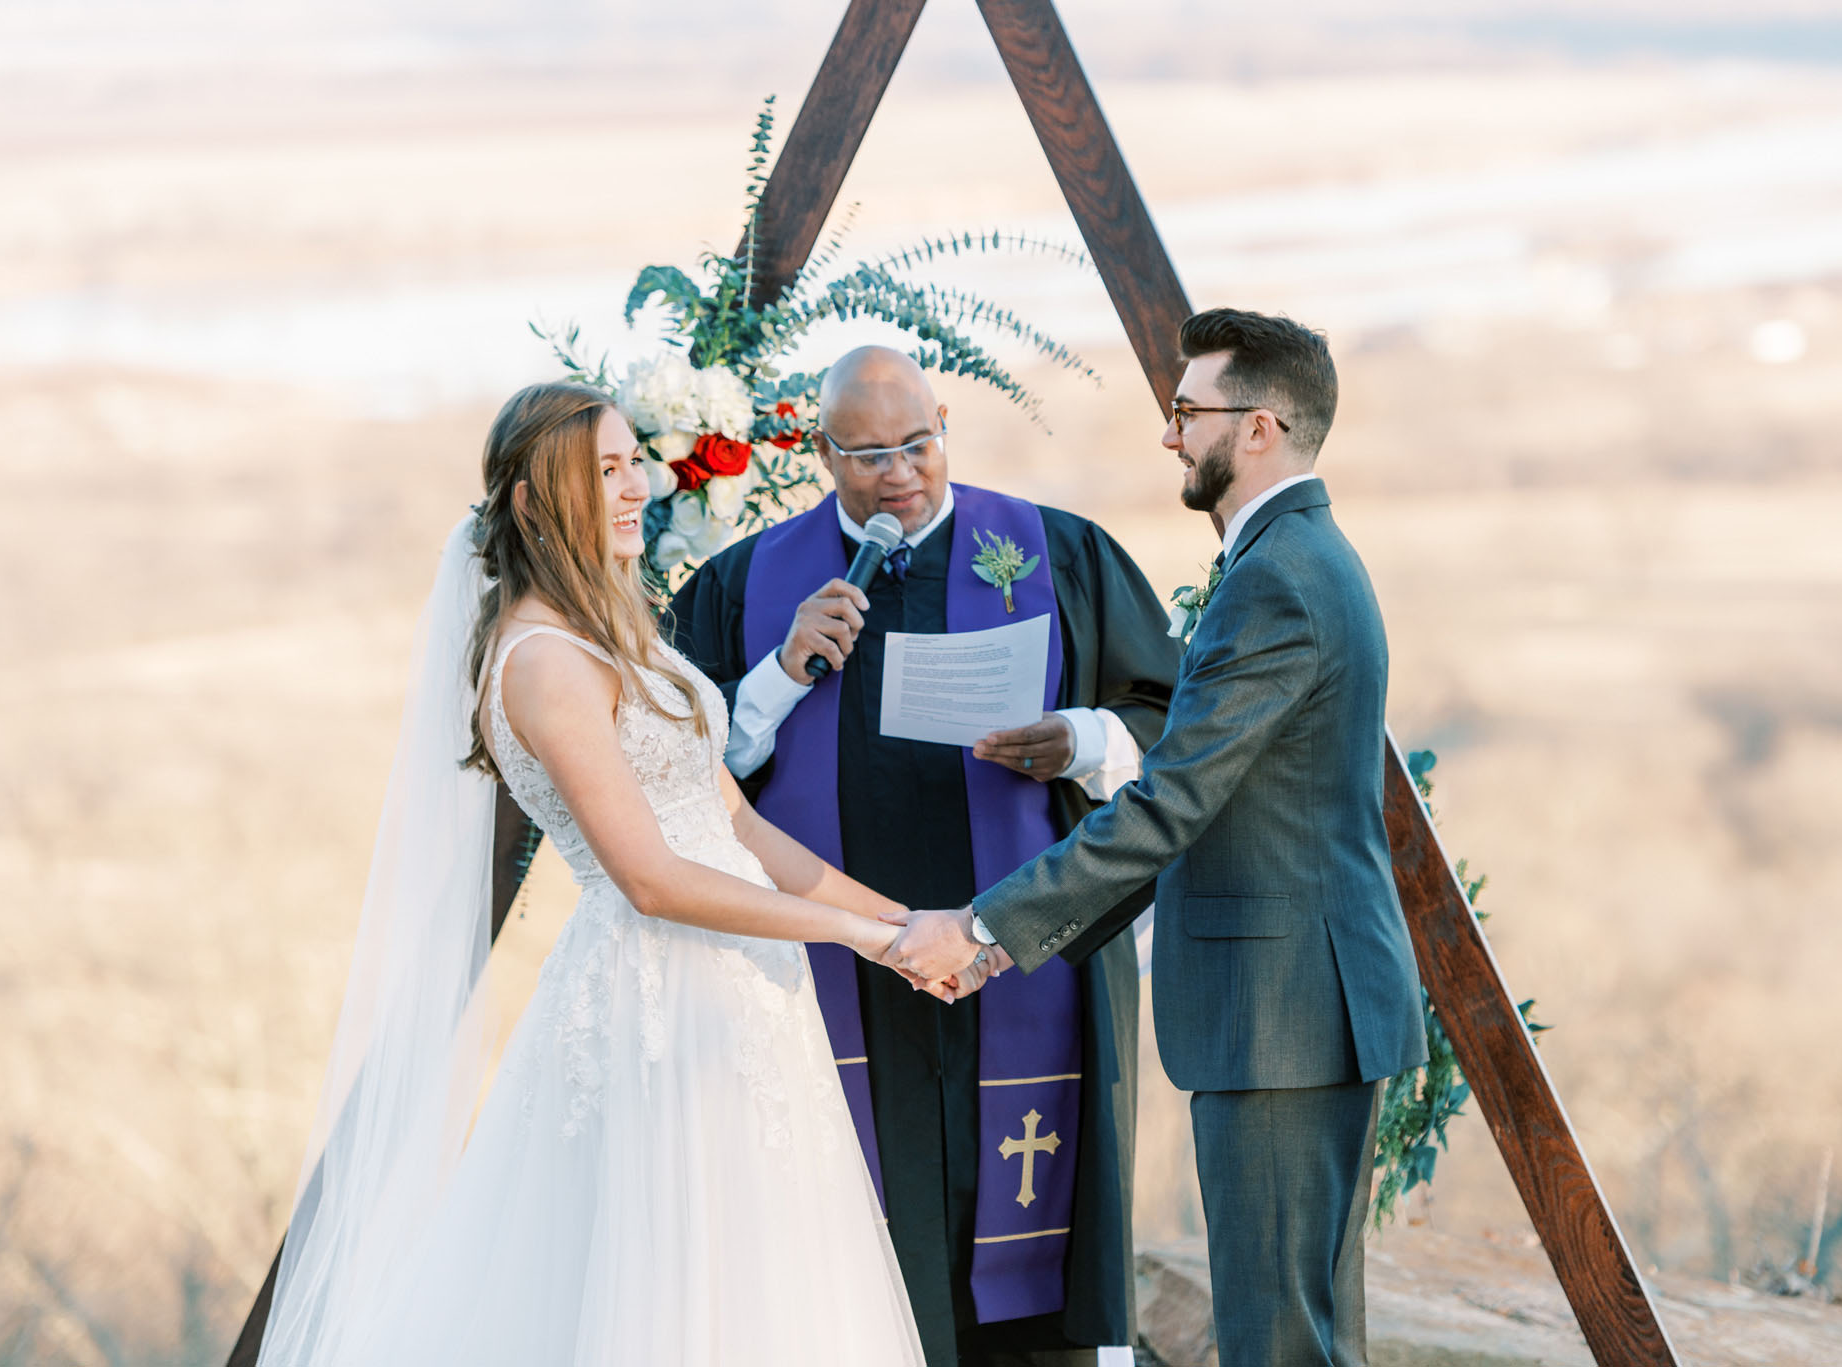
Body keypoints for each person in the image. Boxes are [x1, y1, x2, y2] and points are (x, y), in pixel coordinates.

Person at [258, 382, 947, 1367]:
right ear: (535, 504)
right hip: (657, 1007)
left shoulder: (622, 637)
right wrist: (865, 938)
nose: (637, 487)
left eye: (634, 461)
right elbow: (652, 879)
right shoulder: (541, 662)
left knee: (766, 1284)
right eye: (607, 471)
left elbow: (739, 825)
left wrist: (915, 923)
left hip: (744, 997)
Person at [889, 311, 1430, 1367]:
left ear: (1261, 426)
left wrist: (989, 923)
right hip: (1302, 1004)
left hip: (1283, 1012)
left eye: (1188, 412)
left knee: (1276, 1341)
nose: (1171, 436)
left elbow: (1173, 803)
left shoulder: (1276, 579)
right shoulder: (1295, 555)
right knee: (1307, 1334)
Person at [667, 347, 1180, 1367]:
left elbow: (1171, 719)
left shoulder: (1058, 553)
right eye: (867, 456)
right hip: (838, 961)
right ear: (822, 451)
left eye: (918, 442)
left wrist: (1077, 737)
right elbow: (678, 783)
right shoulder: (745, 587)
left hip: (1018, 949)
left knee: (1033, 1268)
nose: (899, 472)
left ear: (943, 421)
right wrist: (776, 672)